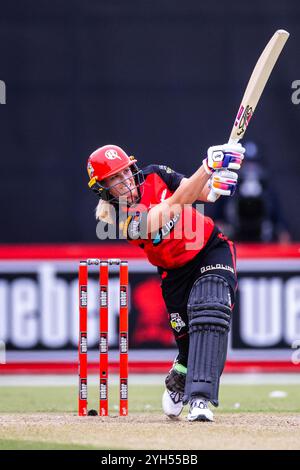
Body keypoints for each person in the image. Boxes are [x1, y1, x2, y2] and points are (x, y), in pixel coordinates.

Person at [86, 143, 245, 422]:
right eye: (115, 180)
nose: (125, 183)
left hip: (210, 248)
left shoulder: (156, 174)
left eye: (125, 173)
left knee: (211, 310)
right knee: (187, 345)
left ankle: (200, 399)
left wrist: (217, 184)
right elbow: (174, 205)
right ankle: (181, 370)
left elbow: (200, 193)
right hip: (174, 273)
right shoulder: (120, 220)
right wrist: (207, 166)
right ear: (104, 189)